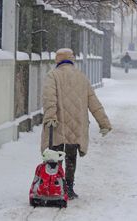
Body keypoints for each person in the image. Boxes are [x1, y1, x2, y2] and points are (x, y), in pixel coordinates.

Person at [41, 48, 112, 200]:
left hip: (58, 124)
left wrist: (50, 116)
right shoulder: (82, 77)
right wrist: (103, 123)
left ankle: (55, 185)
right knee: (71, 158)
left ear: (58, 60)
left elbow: (49, 99)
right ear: (71, 60)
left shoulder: (53, 75)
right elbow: (94, 102)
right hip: (76, 125)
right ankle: (69, 188)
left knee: (55, 156)